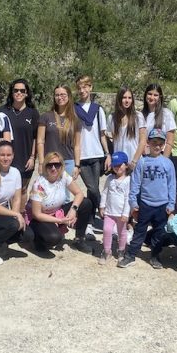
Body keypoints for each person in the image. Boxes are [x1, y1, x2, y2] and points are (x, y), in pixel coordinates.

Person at [118, 128, 176, 269]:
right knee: (139, 231)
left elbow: (172, 185)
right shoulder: (142, 163)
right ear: (148, 143)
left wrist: (171, 203)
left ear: (163, 145)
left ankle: (155, 256)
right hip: (145, 204)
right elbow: (135, 184)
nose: (157, 146)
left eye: (160, 143)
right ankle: (131, 255)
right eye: (154, 142)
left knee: (159, 233)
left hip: (162, 206)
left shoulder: (167, 163)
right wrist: (133, 202)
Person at [28, 152, 94, 254]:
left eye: (57, 165)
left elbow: (79, 193)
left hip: (57, 211)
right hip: (40, 218)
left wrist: (73, 210)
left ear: (61, 166)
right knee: (54, 238)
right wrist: (60, 221)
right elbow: (37, 214)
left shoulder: (63, 175)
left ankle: (79, 240)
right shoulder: (39, 184)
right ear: (45, 166)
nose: (54, 168)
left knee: (86, 203)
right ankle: (37, 240)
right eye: (50, 165)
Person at [74, 75, 110, 240]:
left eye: (85, 87)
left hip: (96, 155)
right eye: (79, 88)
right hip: (82, 155)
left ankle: (89, 223)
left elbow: (103, 135)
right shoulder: (73, 109)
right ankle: (107, 214)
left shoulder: (98, 109)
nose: (82, 90)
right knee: (94, 189)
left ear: (90, 87)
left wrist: (107, 153)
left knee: (92, 189)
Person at [0, 78, 39, 209]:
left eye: (22, 90)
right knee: (7, 191)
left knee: (22, 190)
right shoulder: (2, 112)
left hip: (26, 159)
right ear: (11, 92)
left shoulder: (32, 113)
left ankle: (20, 219)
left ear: (27, 93)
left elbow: (36, 137)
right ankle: (8, 220)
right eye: (16, 90)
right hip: (6, 158)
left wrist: (33, 157)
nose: (19, 93)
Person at [37, 84, 82, 178]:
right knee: (48, 191)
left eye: (63, 94)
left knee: (65, 192)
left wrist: (77, 165)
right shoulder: (46, 117)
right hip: (50, 162)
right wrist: (41, 162)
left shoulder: (75, 120)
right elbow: (40, 141)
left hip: (68, 162)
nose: (60, 97)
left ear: (69, 96)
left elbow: (77, 145)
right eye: (57, 95)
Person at [97, 151, 131, 265]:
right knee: (107, 230)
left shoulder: (128, 180)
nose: (117, 168)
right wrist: (102, 206)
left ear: (126, 164)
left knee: (122, 232)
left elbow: (128, 198)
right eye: (114, 165)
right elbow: (105, 192)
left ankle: (121, 251)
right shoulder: (110, 179)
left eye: (119, 165)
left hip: (121, 214)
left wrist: (126, 213)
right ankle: (107, 251)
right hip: (109, 212)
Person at [106, 86, 146, 173]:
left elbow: (143, 141)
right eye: (124, 97)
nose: (127, 100)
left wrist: (134, 161)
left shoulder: (138, 116)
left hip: (135, 163)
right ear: (119, 99)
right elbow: (112, 139)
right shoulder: (111, 118)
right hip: (119, 164)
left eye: (129, 98)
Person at [142, 83, 175, 160]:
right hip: (145, 157)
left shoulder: (166, 113)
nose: (152, 97)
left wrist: (163, 160)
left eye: (155, 95)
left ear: (160, 97)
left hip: (161, 156)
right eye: (149, 94)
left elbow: (170, 141)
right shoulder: (141, 115)